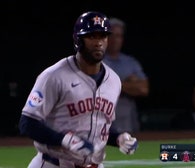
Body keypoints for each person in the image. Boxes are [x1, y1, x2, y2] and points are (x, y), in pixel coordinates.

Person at [18, 11, 138, 168]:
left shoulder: (114, 81)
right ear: (78, 39)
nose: (98, 42)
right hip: (53, 164)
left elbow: (100, 124)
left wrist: (118, 138)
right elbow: (27, 123)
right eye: (91, 36)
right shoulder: (54, 76)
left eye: (103, 36)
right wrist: (65, 140)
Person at [103, 17, 149, 134]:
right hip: (104, 120)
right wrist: (130, 83)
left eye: (119, 36)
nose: (116, 39)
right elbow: (99, 86)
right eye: (112, 35)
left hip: (129, 120)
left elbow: (144, 89)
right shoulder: (96, 61)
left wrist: (114, 83)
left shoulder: (130, 62)